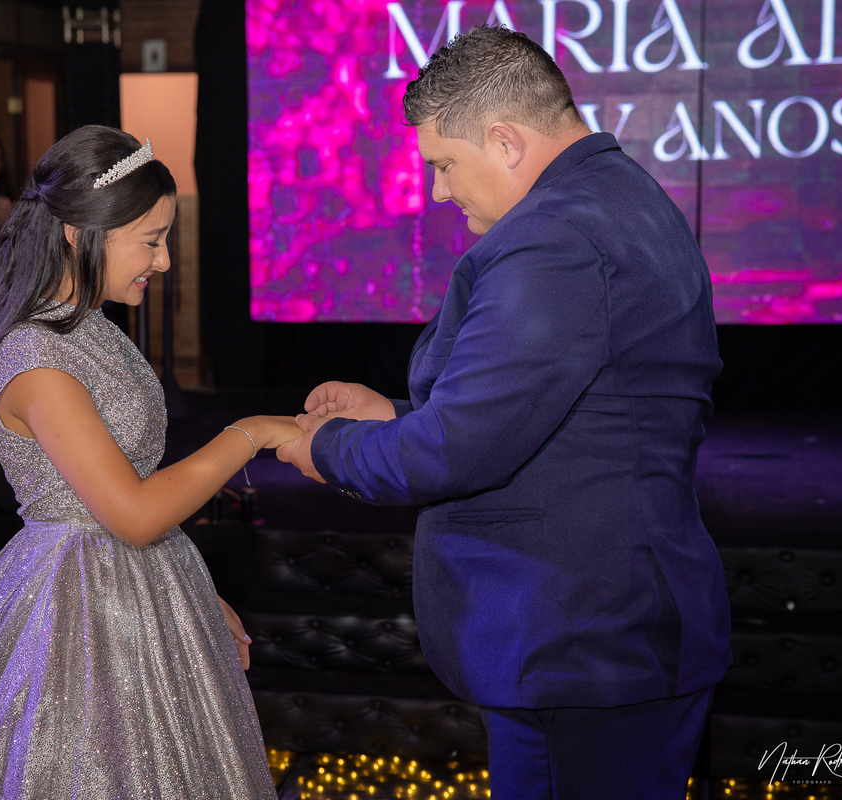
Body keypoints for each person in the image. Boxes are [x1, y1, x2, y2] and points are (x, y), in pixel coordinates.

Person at [277, 26, 731, 800]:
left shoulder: (554, 238)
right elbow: (568, 412)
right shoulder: (625, 196)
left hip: (578, 642)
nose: (440, 191)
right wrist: (393, 414)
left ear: (505, 141)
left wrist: (325, 447)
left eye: (444, 164)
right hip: (614, 633)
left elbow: (454, 451)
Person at [0, 126, 297, 799]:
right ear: (78, 233)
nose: (163, 261)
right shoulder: (35, 357)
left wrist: (190, 593)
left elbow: (130, 492)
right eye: (151, 241)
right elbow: (133, 512)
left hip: (141, 587)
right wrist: (252, 432)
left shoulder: (89, 327)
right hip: (74, 614)